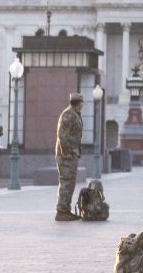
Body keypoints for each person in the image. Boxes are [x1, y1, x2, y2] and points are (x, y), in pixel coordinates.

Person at [55, 93, 85, 222]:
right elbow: (62, 134)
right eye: (82, 103)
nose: (82, 105)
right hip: (66, 155)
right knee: (66, 181)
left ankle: (66, 210)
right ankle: (61, 211)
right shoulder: (69, 114)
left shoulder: (74, 114)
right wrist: (66, 152)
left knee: (70, 182)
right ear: (79, 103)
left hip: (71, 154)